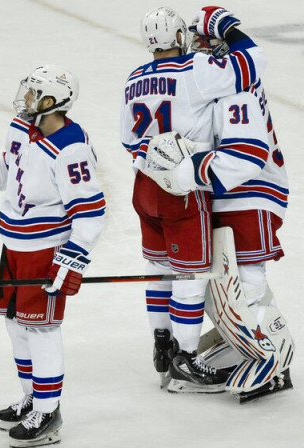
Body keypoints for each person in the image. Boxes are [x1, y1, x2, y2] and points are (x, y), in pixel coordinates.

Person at [0, 65, 106, 447]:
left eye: (31, 94)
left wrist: (71, 259)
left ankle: (48, 410)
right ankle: (31, 397)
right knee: (15, 323)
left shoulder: (71, 146)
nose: (23, 99)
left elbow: (90, 212)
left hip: (46, 251)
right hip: (13, 245)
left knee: (41, 329)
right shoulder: (20, 128)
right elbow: (6, 171)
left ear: (50, 102)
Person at [143, 24, 294, 402]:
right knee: (217, 286)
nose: (198, 50)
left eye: (206, 43)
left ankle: (272, 362)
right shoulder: (218, 86)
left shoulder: (236, 90)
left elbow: (247, 155)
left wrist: (185, 170)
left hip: (248, 193)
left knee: (247, 283)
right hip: (221, 192)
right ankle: (242, 346)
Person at [119, 6, 267, 393]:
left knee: (158, 267)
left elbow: (127, 140)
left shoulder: (133, 79)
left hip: (143, 186)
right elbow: (253, 62)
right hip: (182, 191)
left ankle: (161, 343)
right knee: (189, 276)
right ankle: (185, 358)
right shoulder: (194, 71)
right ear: (179, 38)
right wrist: (227, 26)